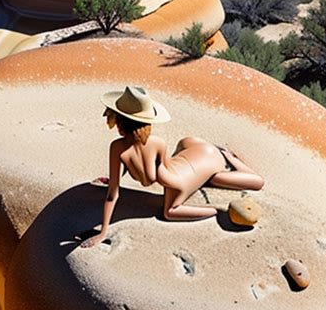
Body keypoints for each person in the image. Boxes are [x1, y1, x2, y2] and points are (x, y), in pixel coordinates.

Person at [80, 86, 264, 248]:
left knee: (170, 212)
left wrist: (216, 211)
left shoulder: (119, 147)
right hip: (192, 152)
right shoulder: (155, 143)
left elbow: (115, 194)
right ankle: (218, 156)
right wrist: (112, 183)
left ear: (120, 122)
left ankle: (227, 157)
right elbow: (121, 185)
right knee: (198, 168)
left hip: (201, 168)